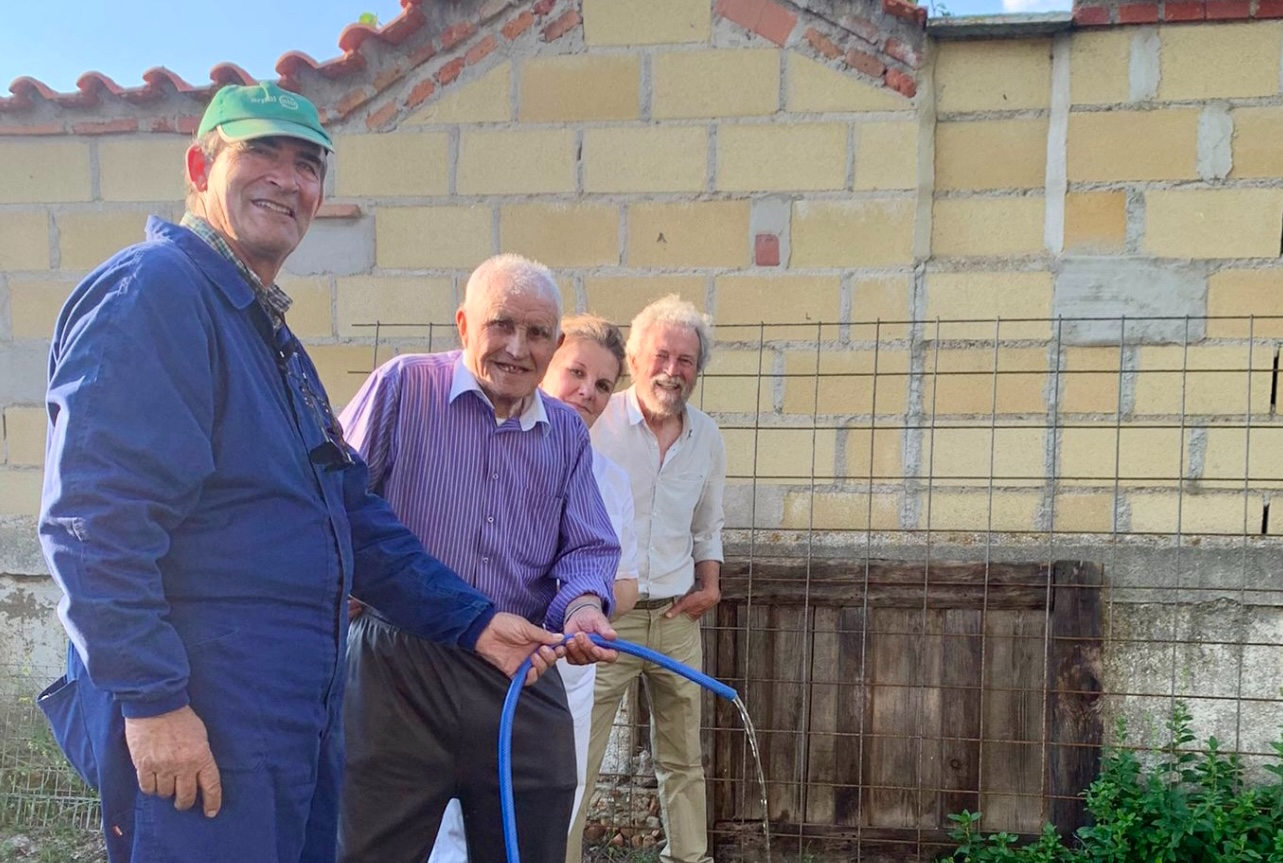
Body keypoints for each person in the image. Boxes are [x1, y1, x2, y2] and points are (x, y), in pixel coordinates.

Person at [34, 82, 562, 863]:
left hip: (291, 718)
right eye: (262, 154)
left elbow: (354, 516)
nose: (289, 179)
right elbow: (93, 521)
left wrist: (475, 621)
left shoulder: (265, 335)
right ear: (198, 166)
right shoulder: (156, 293)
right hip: (207, 719)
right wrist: (154, 703)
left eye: (307, 164)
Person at [337, 256, 621, 863]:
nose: (517, 349)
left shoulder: (567, 434)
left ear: (554, 344)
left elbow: (589, 545)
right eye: (501, 326)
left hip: (521, 666)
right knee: (370, 849)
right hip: (398, 666)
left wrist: (584, 604)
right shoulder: (401, 387)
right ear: (464, 324)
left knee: (534, 837)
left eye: (538, 333)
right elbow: (333, 508)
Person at [426, 313, 641, 863]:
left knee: (538, 817)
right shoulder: (476, 443)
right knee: (448, 829)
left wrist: (584, 608)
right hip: (462, 662)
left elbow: (623, 581)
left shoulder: (611, 481)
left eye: (602, 385)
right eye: (576, 373)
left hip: (557, 677)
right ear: (546, 366)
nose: (586, 393)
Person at [575, 295, 727, 863]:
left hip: (676, 619)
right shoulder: (596, 423)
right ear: (636, 359)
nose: (673, 370)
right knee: (577, 760)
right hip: (604, 620)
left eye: (686, 360)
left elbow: (708, 522)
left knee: (683, 760)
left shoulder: (707, 437)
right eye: (662, 355)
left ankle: (689, 858)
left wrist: (709, 585)